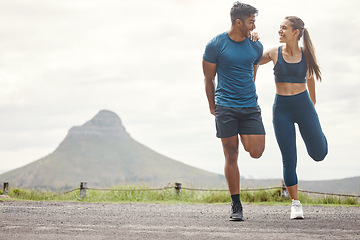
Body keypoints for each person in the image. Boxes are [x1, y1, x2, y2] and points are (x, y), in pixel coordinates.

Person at [258, 16, 328, 219]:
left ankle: (321, 137)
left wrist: (312, 106)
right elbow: (251, 58)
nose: (279, 31)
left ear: (296, 32)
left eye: (284, 28)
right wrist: (250, 40)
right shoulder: (274, 52)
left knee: (319, 154)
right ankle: (295, 203)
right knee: (289, 159)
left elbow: (310, 77)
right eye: (279, 28)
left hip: (304, 106)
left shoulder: (307, 54)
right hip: (282, 110)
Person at [202, 2, 265, 221]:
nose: (253, 25)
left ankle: (236, 202)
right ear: (238, 22)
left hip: (249, 107)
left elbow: (253, 69)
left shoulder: (256, 46)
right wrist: (213, 106)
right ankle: (236, 205)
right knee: (231, 153)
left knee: (256, 151)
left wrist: (247, 91)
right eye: (251, 22)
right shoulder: (216, 44)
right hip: (225, 106)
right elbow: (208, 78)